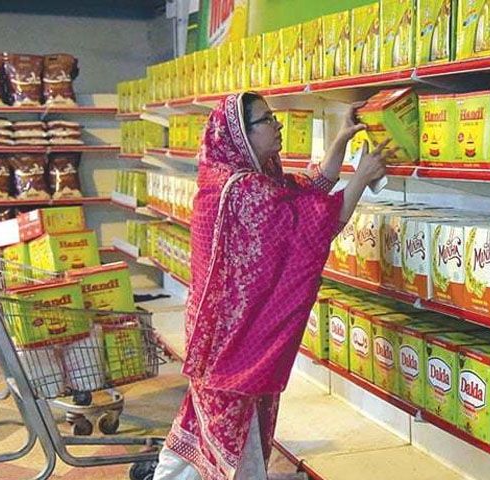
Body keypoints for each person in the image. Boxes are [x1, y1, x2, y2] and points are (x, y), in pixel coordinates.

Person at [153, 92, 392, 480]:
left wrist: (340, 140)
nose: (277, 125)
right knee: (235, 434)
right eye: (266, 120)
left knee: (205, 422)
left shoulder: (231, 181)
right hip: (234, 346)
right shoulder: (243, 191)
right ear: (241, 133)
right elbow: (314, 225)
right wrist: (361, 178)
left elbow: (304, 193)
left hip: (219, 337)